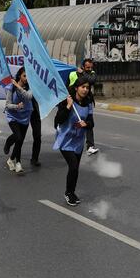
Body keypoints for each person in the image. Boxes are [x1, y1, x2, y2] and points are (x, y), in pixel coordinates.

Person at [53, 75, 94, 206]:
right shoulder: (68, 101)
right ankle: (68, 193)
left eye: (87, 87)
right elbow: (59, 119)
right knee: (73, 166)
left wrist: (86, 124)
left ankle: (72, 192)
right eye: (83, 87)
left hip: (78, 141)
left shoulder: (88, 103)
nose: (85, 90)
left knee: (75, 169)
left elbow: (92, 123)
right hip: (65, 140)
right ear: (76, 88)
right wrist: (68, 106)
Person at [3, 67, 33, 174]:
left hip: (25, 117)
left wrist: (17, 86)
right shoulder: (11, 87)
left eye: (28, 76)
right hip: (13, 116)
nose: (26, 78)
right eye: (24, 76)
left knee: (20, 141)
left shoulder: (30, 87)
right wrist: (16, 106)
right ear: (20, 75)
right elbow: (7, 105)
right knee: (18, 136)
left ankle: (15, 161)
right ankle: (8, 142)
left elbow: (28, 97)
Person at [68, 59, 99, 155]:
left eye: (91, 67)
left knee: (89, 122)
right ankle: (71, 143)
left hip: (87, 102)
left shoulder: (91, 74)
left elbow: (91, 80)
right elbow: (70, 86)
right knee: (74, 123)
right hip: (76, 102)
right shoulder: (74, 74)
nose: (90, 69)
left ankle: (90, 145)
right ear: (83, 67)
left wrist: (83, 73)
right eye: (87, 68)